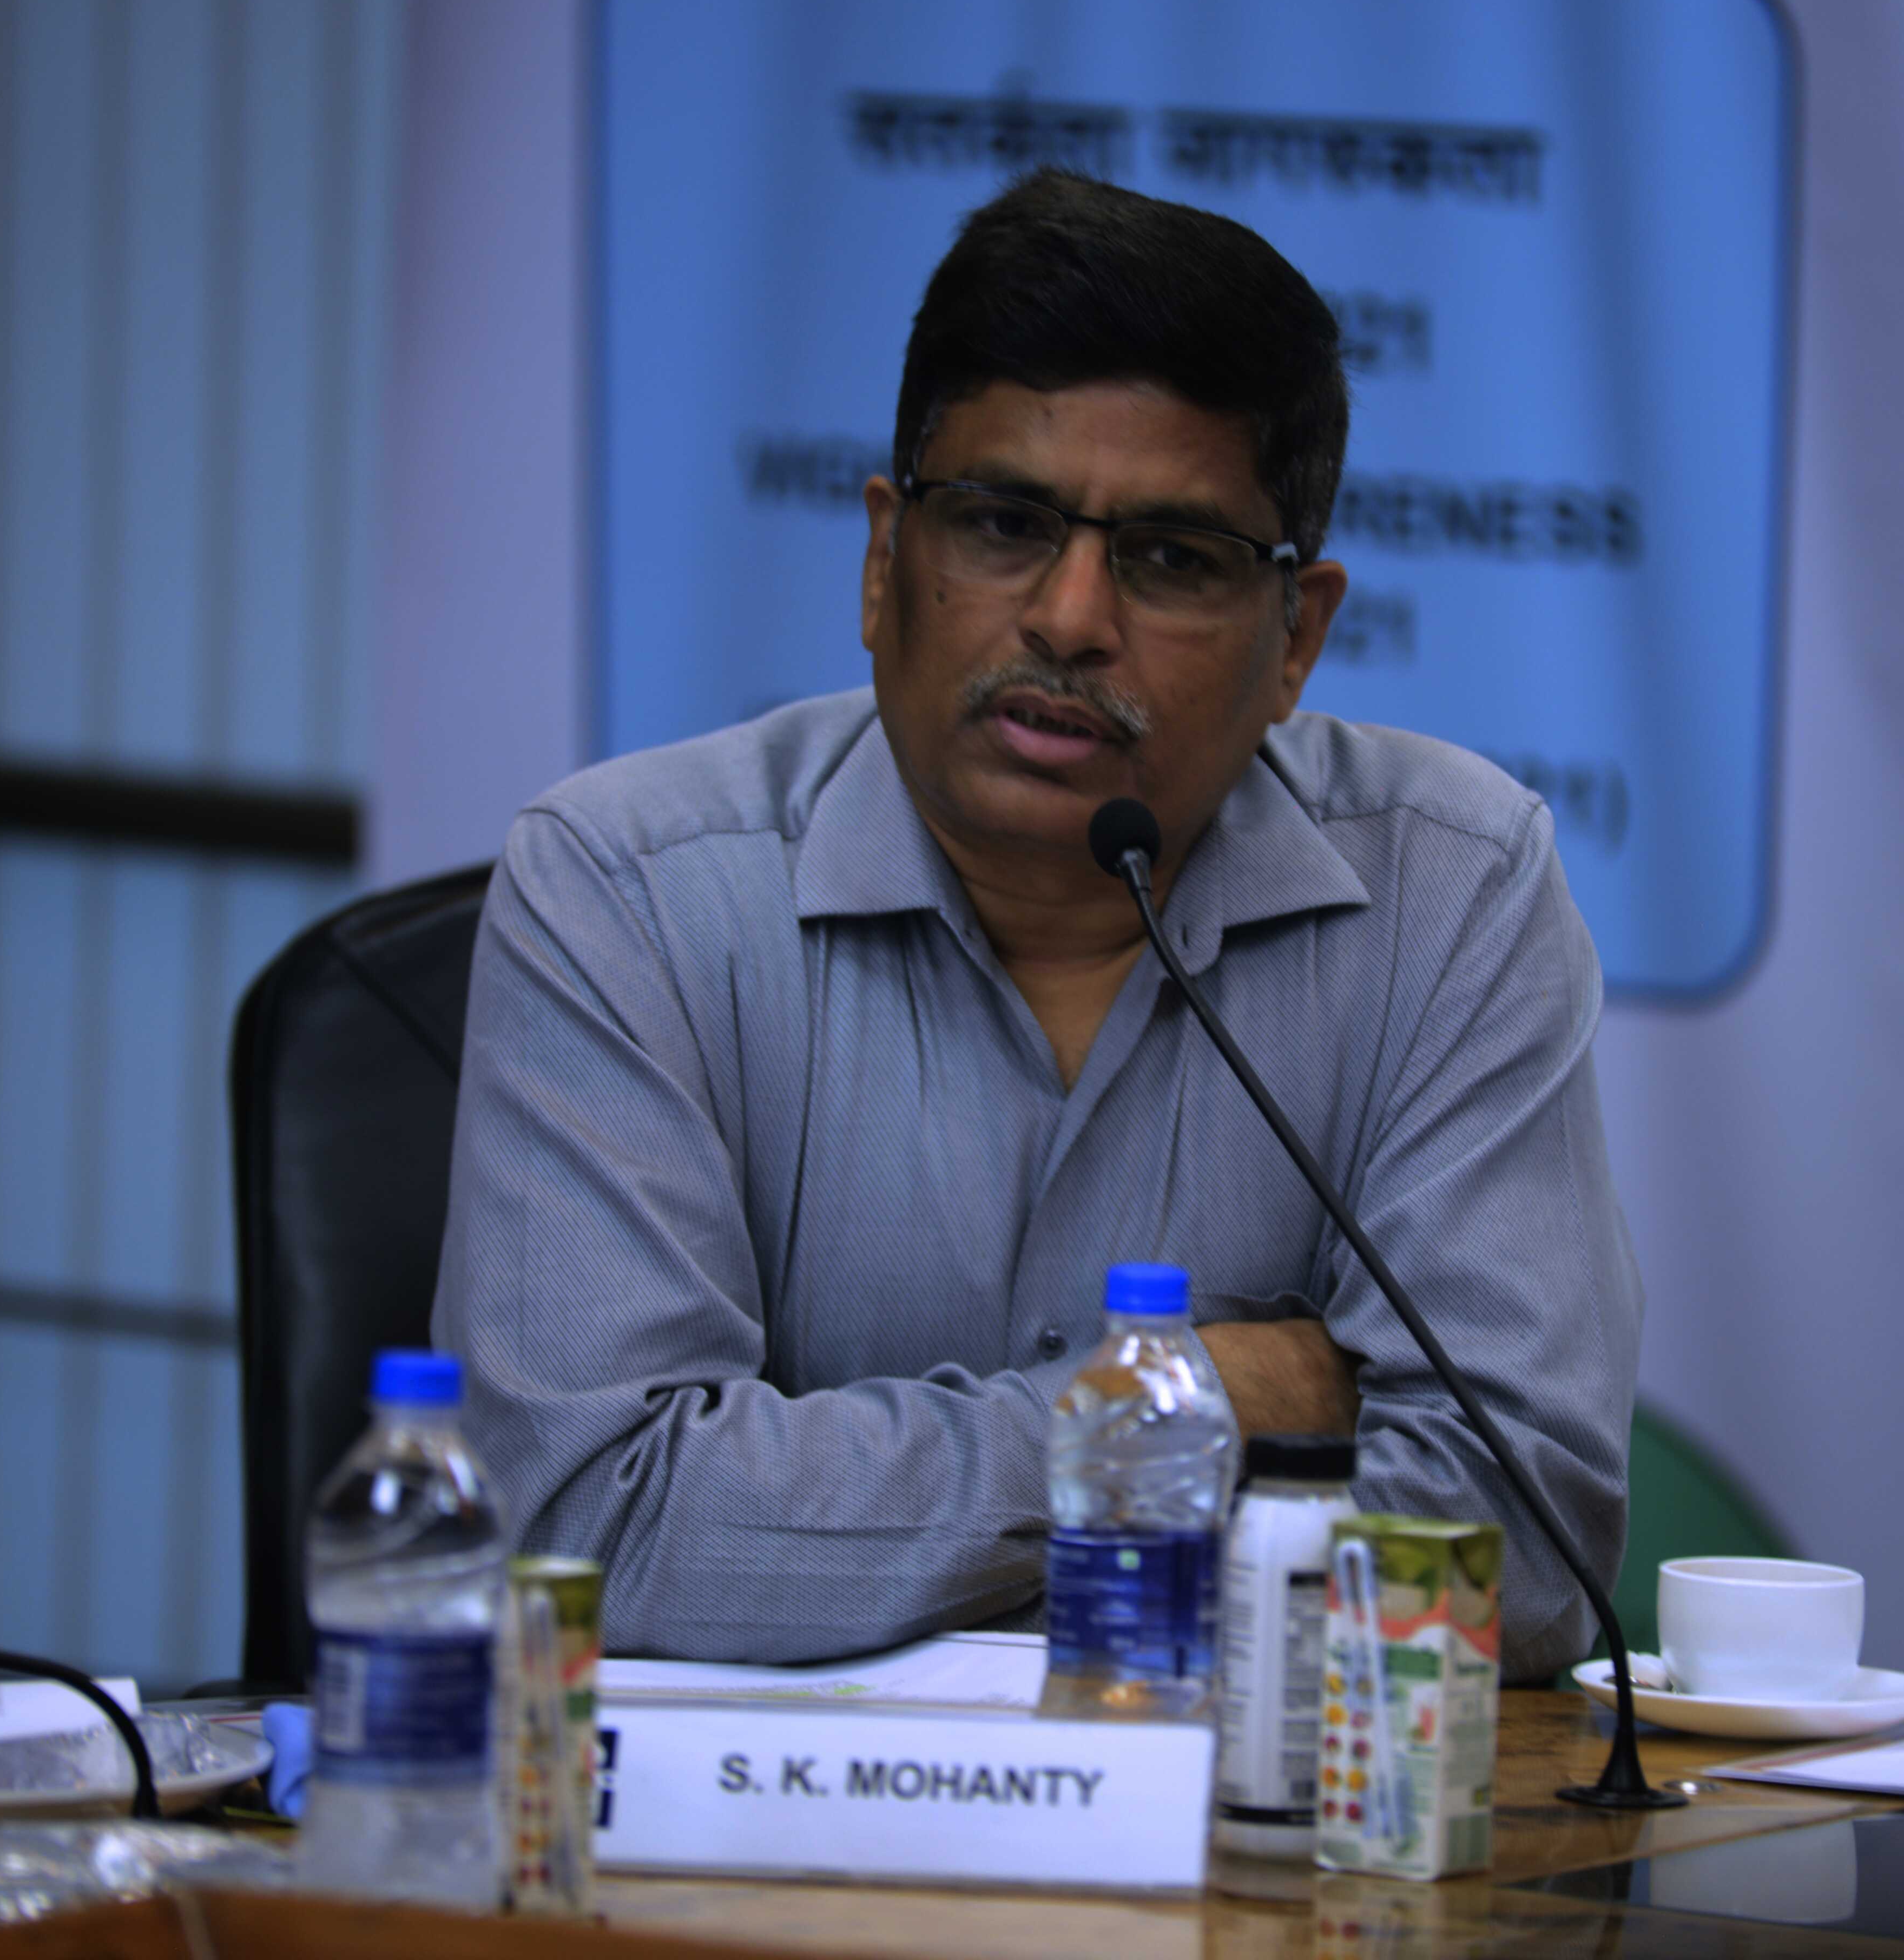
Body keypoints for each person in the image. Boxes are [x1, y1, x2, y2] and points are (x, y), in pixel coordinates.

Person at [433, 169, 1642, 1681]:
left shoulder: (1451, 894)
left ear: (1297, 641)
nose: (1071, 619)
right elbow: (588, 1534)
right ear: (886, 563)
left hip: (1254, 1830)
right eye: (1005, 525)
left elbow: (1516, 1545)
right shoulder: (625, 892)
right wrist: (1194, 1403)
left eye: (1173, 558)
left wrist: (842, 1551)